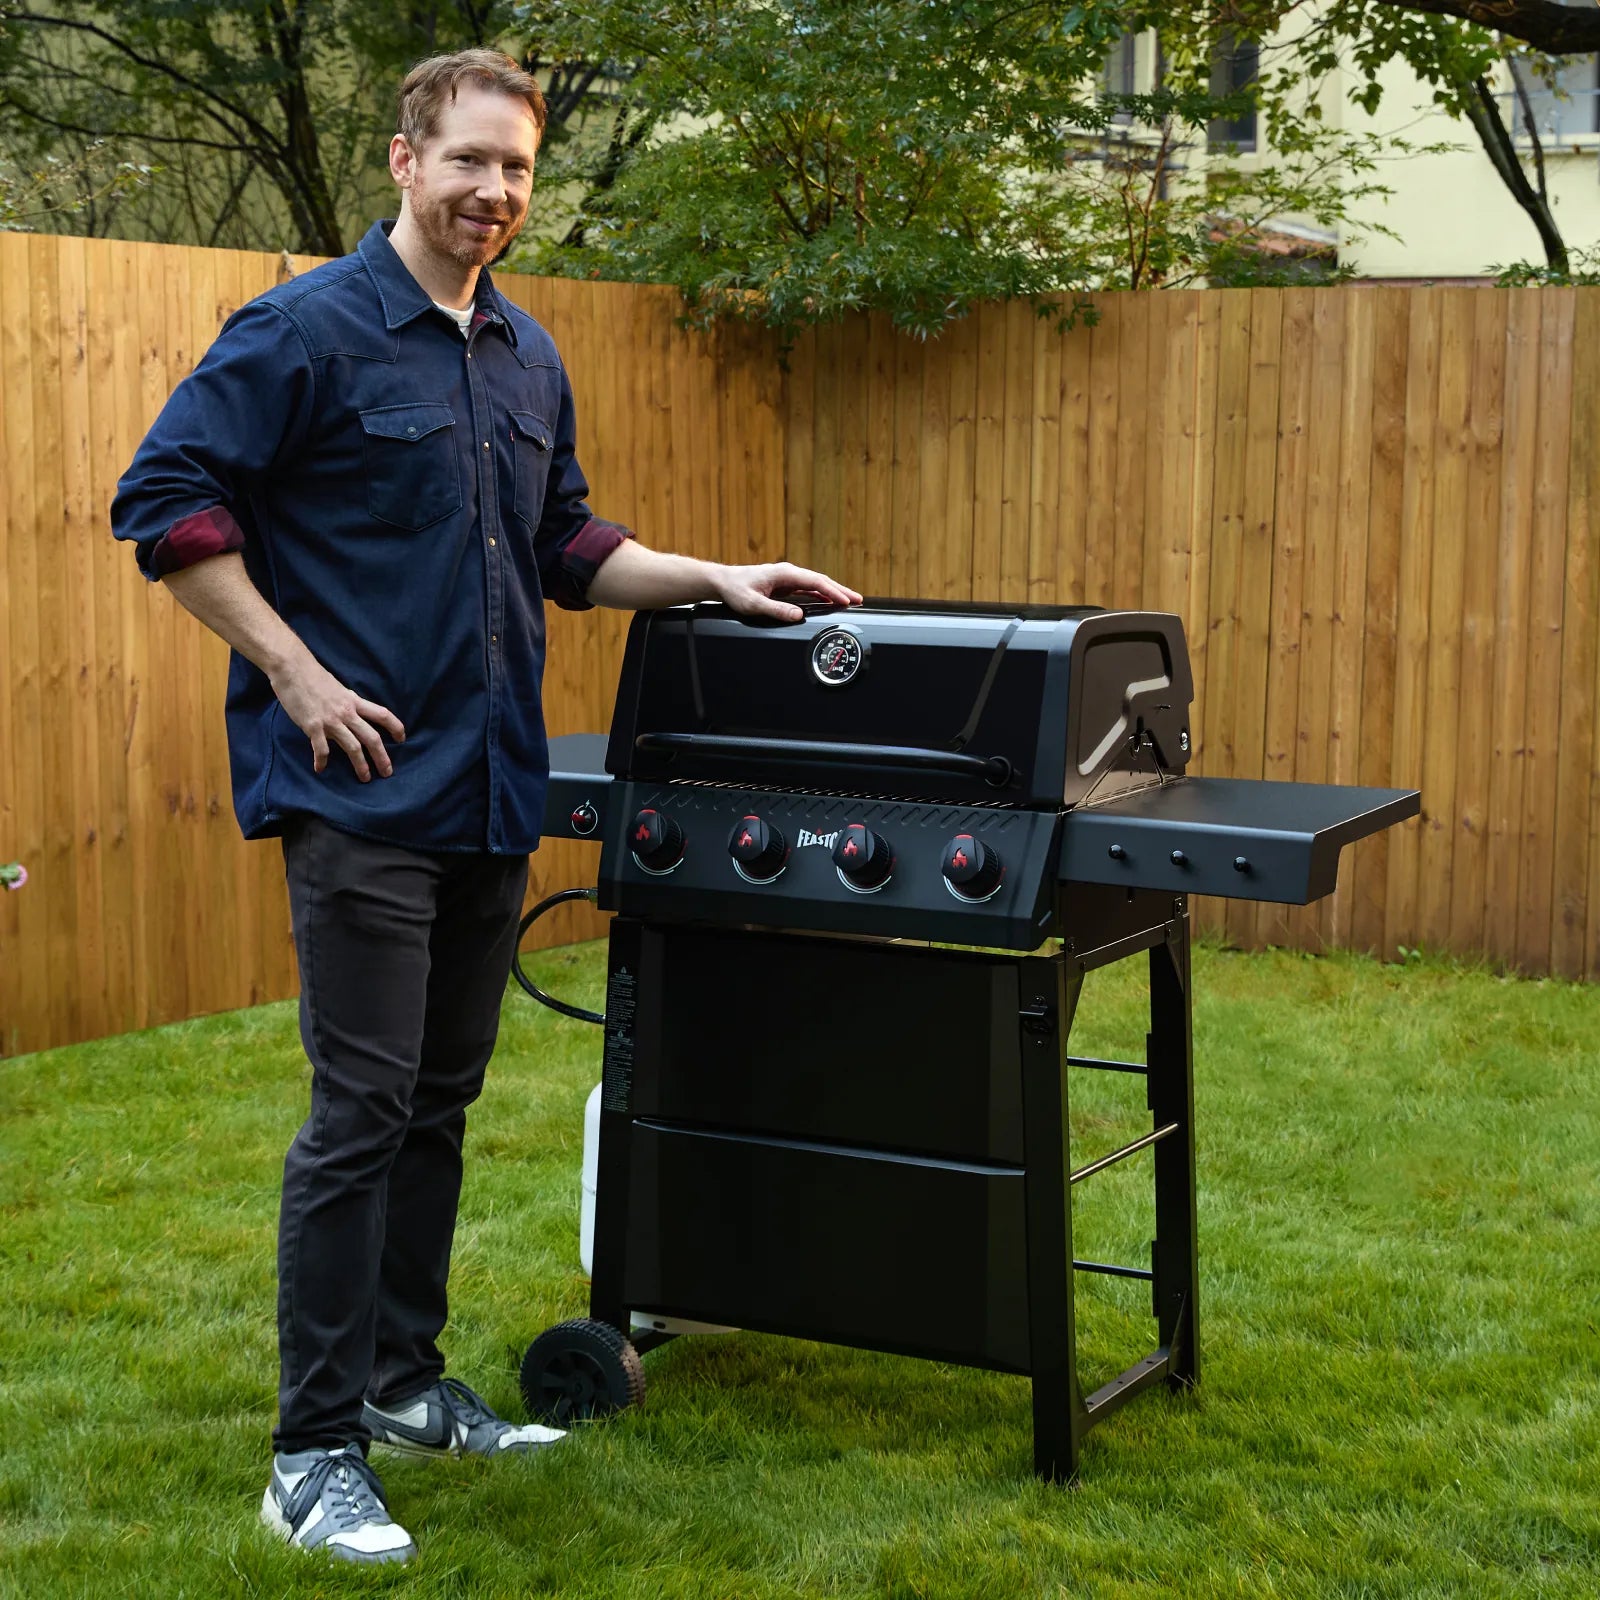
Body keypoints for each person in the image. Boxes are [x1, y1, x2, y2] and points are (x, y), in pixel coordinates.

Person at [111, 47, 861, 1568]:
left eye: (515, 168)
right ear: (404, 161)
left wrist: (716, 576)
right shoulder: (302, 332)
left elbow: (567, 544)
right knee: (360, 1114)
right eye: (467, 160)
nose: (493, 191)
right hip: (363, 794)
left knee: (437, 1106)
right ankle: (310, 1454)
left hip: (492, 787)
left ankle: (401, 1385)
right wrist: (296, 675)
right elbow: (166, 505)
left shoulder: (524, 355)